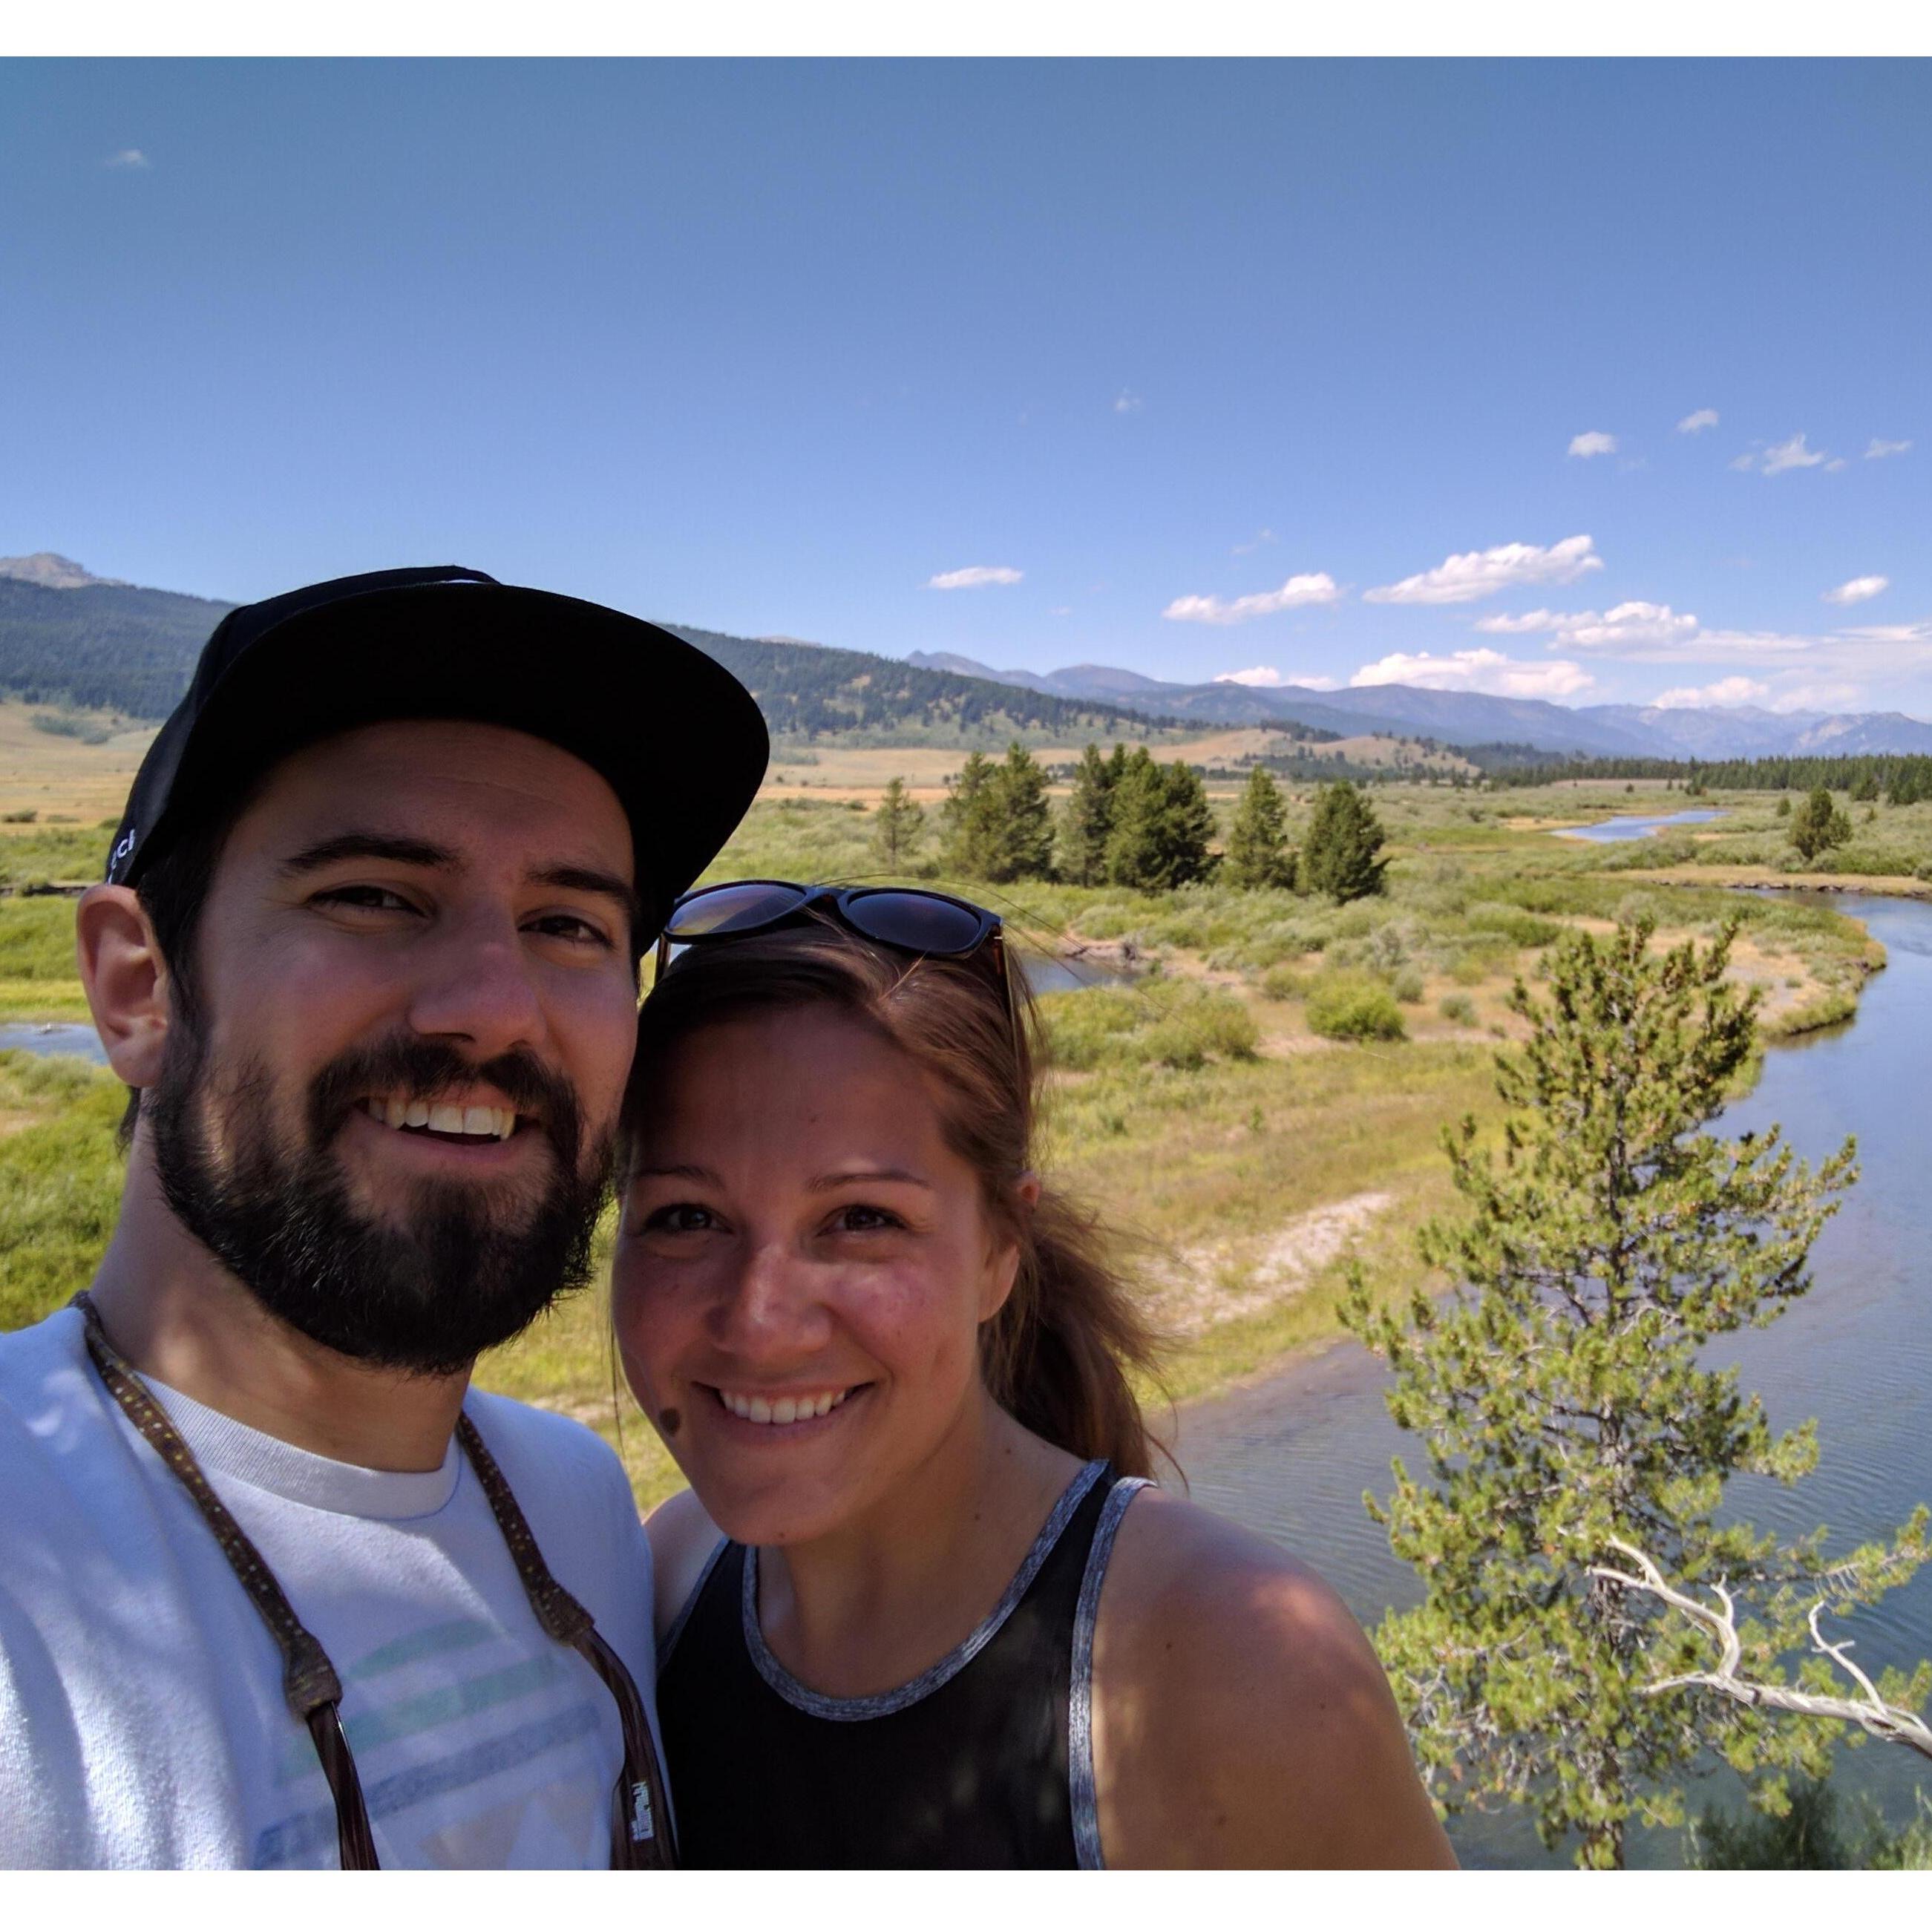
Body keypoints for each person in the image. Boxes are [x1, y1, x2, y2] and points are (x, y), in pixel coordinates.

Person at [0, 566, 767, 1870]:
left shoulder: (579, 1505)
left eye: (570, 924)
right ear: (137, 989)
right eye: (373, 895)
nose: (494, 1007)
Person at [610, 883, 1456, 1869]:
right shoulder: (665, 1582)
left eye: (861, 1221)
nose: (759, 1320)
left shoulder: (1238, 1663)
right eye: (685, 1218)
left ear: (999, 1250)